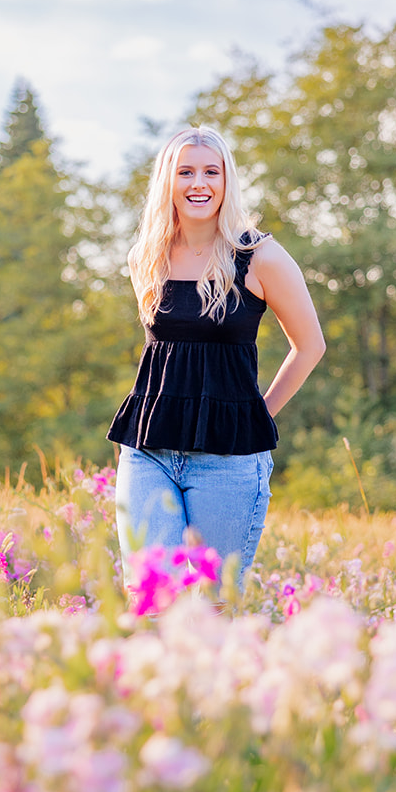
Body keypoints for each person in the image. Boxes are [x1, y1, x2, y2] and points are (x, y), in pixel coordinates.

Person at [107, 126, 324, 584]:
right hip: (148, 449)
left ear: (227, 181)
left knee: (215, 603)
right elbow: (164, 351)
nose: (198, 183)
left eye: (211, 171)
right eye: (185, 172)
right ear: (168, 180)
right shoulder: (145, 257)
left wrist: (257, 415)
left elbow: (310, 347)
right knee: (151, 596)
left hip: (228, 460)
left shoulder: (260, 256)